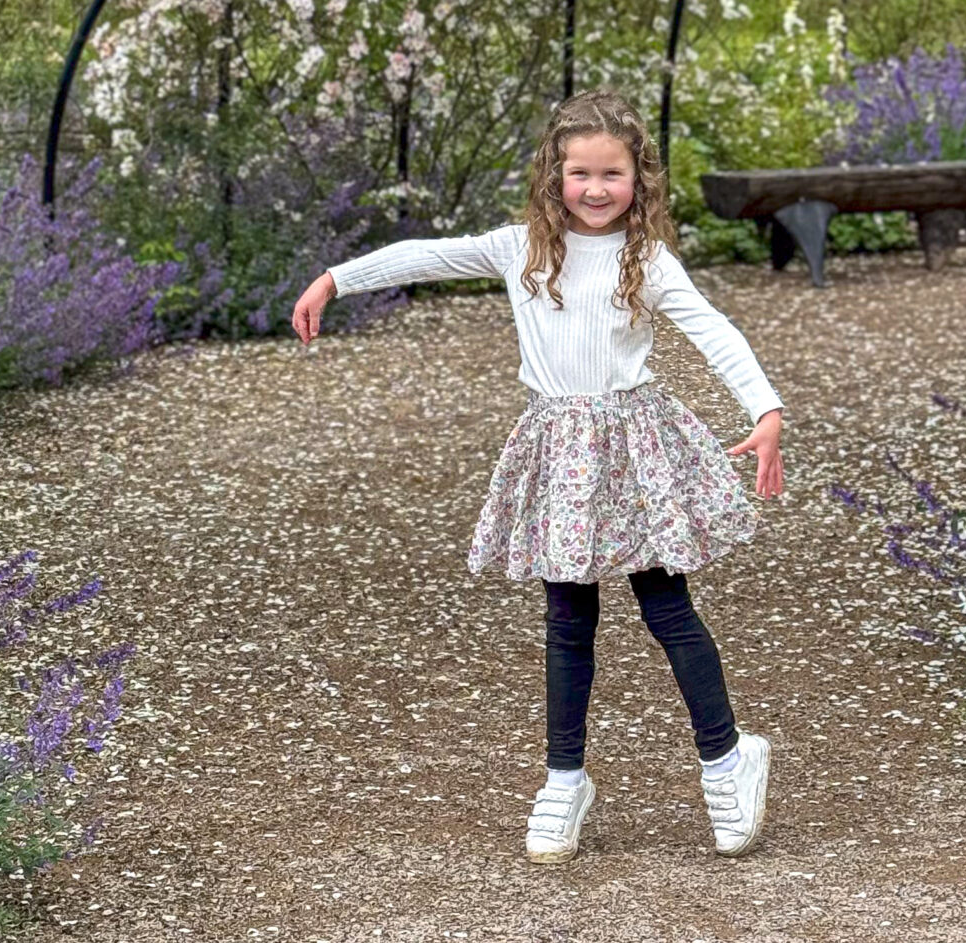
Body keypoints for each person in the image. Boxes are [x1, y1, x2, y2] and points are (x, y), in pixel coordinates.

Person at [291, 88, 785, 864]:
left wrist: (764, 410)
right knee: (567, 622)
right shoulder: (520, 247)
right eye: (579, 172)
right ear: (554, 175)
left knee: (668, 608)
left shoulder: (645, 259)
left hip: (633, 450)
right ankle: (565, 779)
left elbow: (712, 330)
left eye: (611, 174)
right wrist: (334, 278)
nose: (594, 189)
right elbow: (427, 254)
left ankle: (727, 756)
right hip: (559, 452)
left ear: (640, 179)